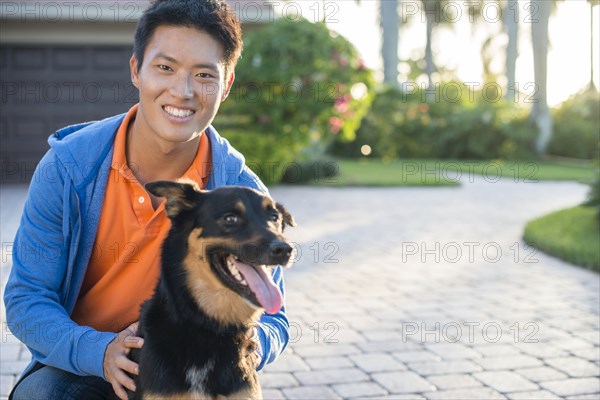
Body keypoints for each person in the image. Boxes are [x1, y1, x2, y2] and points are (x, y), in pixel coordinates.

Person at [3, 1, 290, 399]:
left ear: (225, 85)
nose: (183, 91)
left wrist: (245, 351)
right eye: (165, 68)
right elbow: (27, 299)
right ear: (136, 69)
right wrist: (99, 351)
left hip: (195, 370)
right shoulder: (68, 169)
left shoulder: (243, 190)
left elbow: (276, 317)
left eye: (204, 74)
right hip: (89, 367)